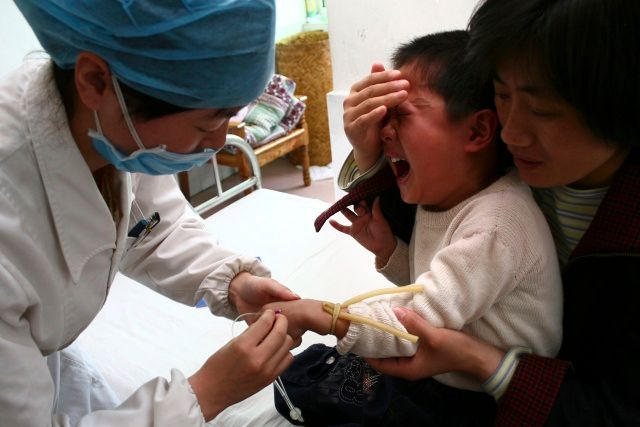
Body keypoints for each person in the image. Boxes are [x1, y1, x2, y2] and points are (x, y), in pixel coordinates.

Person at [0, 1, 300, 425]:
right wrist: (208, 391)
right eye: (203, 125)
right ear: (95, 82)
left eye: (229, 117)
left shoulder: (107, 133)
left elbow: (151, 227)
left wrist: (233, 282)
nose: (217, 143)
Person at [365, 0, 640, 425]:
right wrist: (370, 153)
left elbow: (615, 411)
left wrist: (485, 362)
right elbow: (434, 242)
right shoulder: (504, 162)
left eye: (543, 110)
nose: (510, 130)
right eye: (502, 94)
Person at [264, 30, 562, 414]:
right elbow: (439, 293)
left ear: (476, 131)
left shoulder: (497, 223)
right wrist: (390, 251)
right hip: (444, 364)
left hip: (484, 400)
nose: (384, 131)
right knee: (321, 381)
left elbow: (414, 319)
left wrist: (319, 313)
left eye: (401, 115)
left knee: (367, 395)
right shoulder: (444, 193)